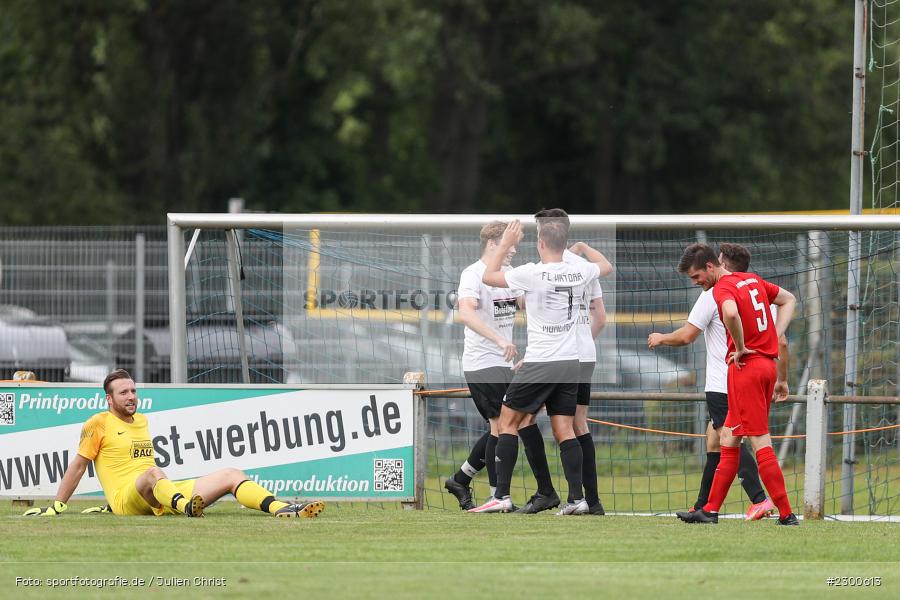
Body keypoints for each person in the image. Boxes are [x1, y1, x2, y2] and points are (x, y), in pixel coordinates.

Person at [23, 369, 325, 519]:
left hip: (158, 494)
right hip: (129, 499)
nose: (131, 396)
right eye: (123, 393)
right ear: (109, 399)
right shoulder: (97, 423)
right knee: (155, 472)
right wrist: (57, 506)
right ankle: (186, 509)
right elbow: (78, 467)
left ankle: (283, 509)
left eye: (133, 391)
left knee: (232, 474)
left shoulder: (141, 420)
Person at [469, 216, 606, 514]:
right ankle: (577, 500)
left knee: (507, 421)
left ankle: (501, 495)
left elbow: (489, 276)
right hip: (571, 362)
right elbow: (605, 267)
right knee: (564, 429)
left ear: (541, 243)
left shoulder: (532, 273)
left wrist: (505, 243)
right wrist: (584, 249)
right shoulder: (579, 271)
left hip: (542, 360)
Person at [648, 242, 788, 520]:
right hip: (763, 372)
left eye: (697, 275)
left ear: (717, 265)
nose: (697, 281)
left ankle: (767, 503)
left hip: (730, 379)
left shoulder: (717, 292)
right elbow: (781, 339)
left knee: (746, 439)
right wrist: (782, 378)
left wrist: (661, 337)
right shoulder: (757, 288)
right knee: (719, 440)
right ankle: (705, 507)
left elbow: (689, 335)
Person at [516, 208, 610, 516]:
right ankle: (590, 501)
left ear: (543, 236)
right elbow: (601, 318)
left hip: (552, 356)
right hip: (583, 356)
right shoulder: (583, 267)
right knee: (577, 424)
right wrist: (581, 341)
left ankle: (548, 492)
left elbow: (524, 303)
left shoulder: (542, 268)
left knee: (524, 420)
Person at [444, 221, 525, 510]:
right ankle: (497, 497)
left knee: (503, 427)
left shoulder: (511, 274)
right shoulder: (472, 274)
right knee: (503, 425)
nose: (514, 249)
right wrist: (499, 340)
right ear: (492, 243)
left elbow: (530, 304)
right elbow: (465, 313)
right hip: (482, 363)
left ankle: (461, 479)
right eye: (509, 243)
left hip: (506, 364)